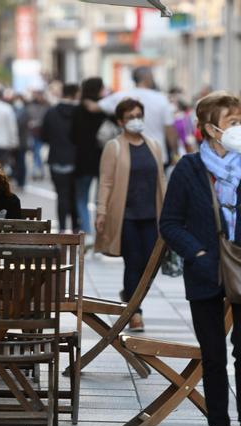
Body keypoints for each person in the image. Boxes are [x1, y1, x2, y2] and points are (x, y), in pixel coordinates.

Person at [160, 91, 241, 426]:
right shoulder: (188, 169)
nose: (240, 129)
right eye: (232, 123)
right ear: (211, 129)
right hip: (205, 273)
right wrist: (197, 253)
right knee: (212, 356)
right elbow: (169, 223)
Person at [95, 98, 166, 332]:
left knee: (150, 265)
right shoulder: (114, 147)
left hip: (151, 214)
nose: (135, 121)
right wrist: (102, 211)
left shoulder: (154, 145)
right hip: (125, 215)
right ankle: (135, 312)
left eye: (138, 116)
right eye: (129, 117)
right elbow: (105, 182)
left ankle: (129, 295)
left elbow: (161, 180)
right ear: (120, 121)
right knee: (133, 262)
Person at [90, 67, 178, 167]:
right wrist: (175, 153)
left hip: (128, 156)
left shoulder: (120, 96)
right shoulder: (161, 99)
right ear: (147, 78)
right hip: (156, 156)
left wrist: (76, 99)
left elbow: (93, 107)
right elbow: (169, 129)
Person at [71, 77, 108, 236]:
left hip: (83, 159)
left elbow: (72, 135)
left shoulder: (78, 110)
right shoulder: (106, 109)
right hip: (104, 158)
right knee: (101, 199)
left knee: (81, 198)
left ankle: (87, 232)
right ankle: (100, 231)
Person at [42, 83, 80, 232]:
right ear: (75, 93)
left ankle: (63, 228)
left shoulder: (51, 112)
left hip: (56, 158)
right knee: (75, 194)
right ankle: (76, 226)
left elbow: (44, 136)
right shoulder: (79, 112)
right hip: (76, 159)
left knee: (61, 194)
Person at [26, 89, 51, 181]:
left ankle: (37, 171)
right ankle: (38, 171)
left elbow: (47, 119)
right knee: (36, 152)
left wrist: (37, 123)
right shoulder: (30, 105)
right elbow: (27, 117)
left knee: (37, 152)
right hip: (33, 132)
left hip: (42, 132)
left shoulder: (47, 106)